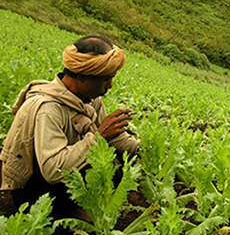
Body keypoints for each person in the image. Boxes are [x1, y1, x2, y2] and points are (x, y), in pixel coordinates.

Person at [0, 36, 140, 219]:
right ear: (81, 77)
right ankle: (68, 212)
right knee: (97, 155)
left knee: (119, 158)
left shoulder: (91, 99)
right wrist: (98, 137)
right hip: (36, 192)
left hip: (67, 175)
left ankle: (79, 207)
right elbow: (52, 170)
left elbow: (112, 136)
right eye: (105, 80)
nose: (110, 86)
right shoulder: (48, 108)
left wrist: (140, 149)